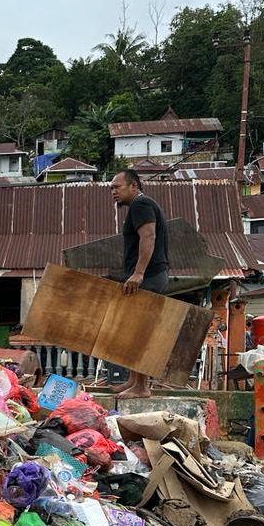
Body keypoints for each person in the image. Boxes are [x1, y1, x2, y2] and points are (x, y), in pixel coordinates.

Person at [109, 169, 169, 398]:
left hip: (150, 276)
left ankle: (142, 387)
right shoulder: (140, 205)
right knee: (135, 329)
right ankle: (134, 381)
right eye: (112, 188)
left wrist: (138, 273)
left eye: (118, 187)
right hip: (152, 274)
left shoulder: (140, 205)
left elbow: (149, 237)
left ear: (133, 186)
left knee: (139, 332)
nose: (113, 191)